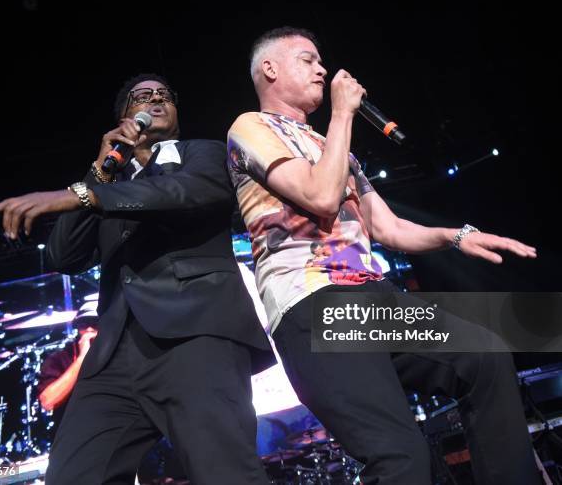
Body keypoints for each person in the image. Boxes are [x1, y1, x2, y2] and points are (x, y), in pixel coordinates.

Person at [227, 27, 540, 484]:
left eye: (321, 61)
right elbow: (319, 196)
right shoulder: (250, 127)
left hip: (371, 296)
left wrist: (455, 236)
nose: (322, 69)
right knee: (402, 459)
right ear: (269, 68)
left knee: (483, 355)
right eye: (308, 59)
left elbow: (387, 227)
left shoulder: (335, 149)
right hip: (315, 305)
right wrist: (342, 115)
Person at [0, 73, 275, 485]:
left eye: (164, 96)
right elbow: (64, 255)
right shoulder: (109, 183)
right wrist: (96, 176)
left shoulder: (203, 154)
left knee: (224, 472)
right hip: (114, 355)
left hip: (195, 337)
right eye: (141, 97)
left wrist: (85, 196)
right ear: (124, 117)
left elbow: (188, 192)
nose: (155, 100)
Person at [37, 311, 99, 435]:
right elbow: (48, 402)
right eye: (84, 324)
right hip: (75, 432)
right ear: (77, 327)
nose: (89, 328)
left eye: (96, 322)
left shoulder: (120, 352)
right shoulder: (59, 358)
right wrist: (82, 359)